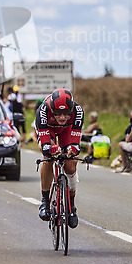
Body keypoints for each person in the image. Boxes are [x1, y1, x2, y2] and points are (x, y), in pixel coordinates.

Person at [35, 88, 84, 228]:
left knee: (71, 163)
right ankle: (44, 201)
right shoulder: (43, 110)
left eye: (66, 114)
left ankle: (72, 206)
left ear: (71, 109)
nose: (62, 117)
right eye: (58, 113)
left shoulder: (78, 111)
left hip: (66, 131)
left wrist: (73, 149)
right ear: (52, 109)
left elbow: (76, 143)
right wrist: (50, 148)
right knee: (48, 157)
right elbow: (44, 144)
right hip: (48, 130)